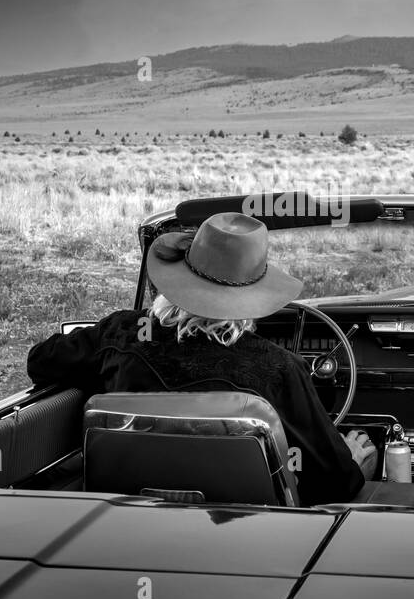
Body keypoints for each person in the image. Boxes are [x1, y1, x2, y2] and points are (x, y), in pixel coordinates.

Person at [27, 211, 376, 506]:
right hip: (247, 543)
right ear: (252, 298)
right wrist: (356, 460)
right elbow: (334, 487)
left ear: (177, 280)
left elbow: (41, 362)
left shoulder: (120, 334)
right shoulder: (278, 368)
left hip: (128, 527)